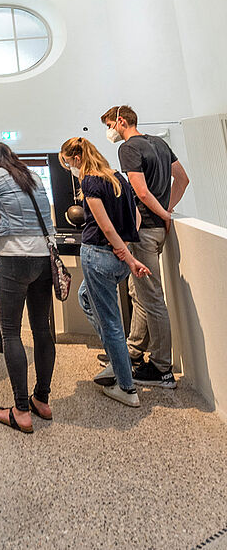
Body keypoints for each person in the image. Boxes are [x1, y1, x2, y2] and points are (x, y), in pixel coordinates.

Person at [102, 104, 189, 388]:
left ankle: (162, 369)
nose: (109, 131)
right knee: (137, 291)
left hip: (145, 229)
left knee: (151, 297)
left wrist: (163, 214)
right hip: (156, 231)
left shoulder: (128, 148)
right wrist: (168, 207)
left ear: (121, 121)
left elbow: (140, 191)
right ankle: (134, 350)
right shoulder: (161, 144)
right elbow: (183, 179)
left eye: (109, 125)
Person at [59, 137, 150, 408]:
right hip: (116, 259)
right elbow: (137, 217)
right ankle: (117, 357)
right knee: (85, 297)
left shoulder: (90, 182)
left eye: (68, 164)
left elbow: (106, 227)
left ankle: (127, 387)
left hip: (100, 256)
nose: (70, 169)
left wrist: (127, 256)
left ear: (76, 160)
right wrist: (127, 251)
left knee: (111, 322)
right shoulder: (117, 177)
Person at [0, 141, 56, 434]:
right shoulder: (34, 176)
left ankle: (21, 410)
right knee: (42, 329)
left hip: (13, 258)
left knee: (11, 332)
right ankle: (42, 399)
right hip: (43, 258)